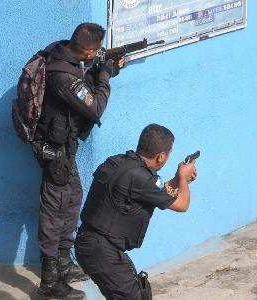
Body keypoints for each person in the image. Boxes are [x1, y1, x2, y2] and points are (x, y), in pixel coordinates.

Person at [32, 22, 124, 299]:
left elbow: (84, 85)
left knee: (71, 200)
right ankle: (49, 282)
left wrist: (102, 71)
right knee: (54, 210)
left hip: (64, 149)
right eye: (95, 52)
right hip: (54, 151)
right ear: (87, 50)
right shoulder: (62, 76)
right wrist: (105, 77)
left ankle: (62, 262)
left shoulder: (65, 56)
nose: (97, 55)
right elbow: (94, 107)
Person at [74, 124, 197, 300]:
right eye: (168, 154)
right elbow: (182, 205)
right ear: (161, 156)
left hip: (93, 245)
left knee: (139, 293)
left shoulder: (118, 162)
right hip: (101, 250)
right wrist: (184, 179)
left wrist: (178, 180)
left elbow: (154, 191)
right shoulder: (144, 178)